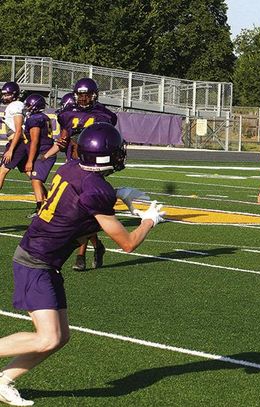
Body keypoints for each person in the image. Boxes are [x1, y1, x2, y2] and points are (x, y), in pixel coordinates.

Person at [0, 123, 165, 407]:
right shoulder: (96, 189)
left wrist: (116, 194)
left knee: (60, 337)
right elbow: (127, 243)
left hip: (44, 260)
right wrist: (149, 220)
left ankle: (4, 380)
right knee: (47, 338)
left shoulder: (71, 167)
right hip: (36, 262)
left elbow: (79, 200)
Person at [42, 78, 118, 272]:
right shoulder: (67, 114)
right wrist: (50, 152)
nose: (83, 99)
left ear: (94, 95)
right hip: (73, 164)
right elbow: (64, 138)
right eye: (81, 95)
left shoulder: (104, 114)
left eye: (87, 95)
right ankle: (97, 246)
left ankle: (81, 255)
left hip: (93, 167)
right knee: (80, 211)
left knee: (85, 210)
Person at [22, 94, 57, 218]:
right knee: (35, 179)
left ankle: (40, 209)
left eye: (28, 105)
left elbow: (35, 141)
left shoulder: (35, 119)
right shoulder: (43, 117)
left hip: (44, 153)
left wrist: (30, 161)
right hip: (44, 152)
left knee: (36, 180)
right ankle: (49, 205)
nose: (27, 107)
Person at [0, 82, 26, 191]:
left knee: (2, 171)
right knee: (32, 175)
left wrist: (11, 150)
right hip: (19, 143)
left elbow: (18, 130)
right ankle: (44, 201)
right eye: (4, 94)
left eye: (7, 94)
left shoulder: (15, 105)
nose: (4, 97)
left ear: (14, 94)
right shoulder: (14, 106)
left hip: (17, 143)